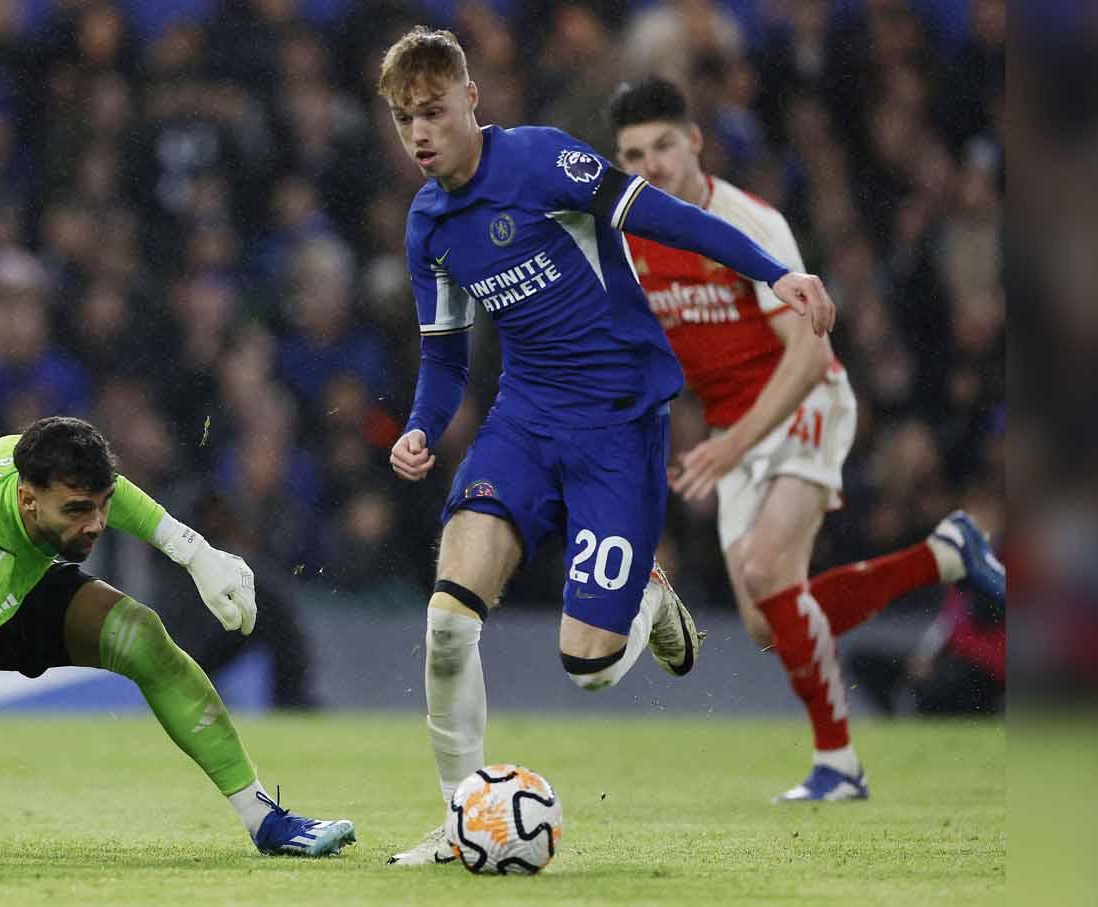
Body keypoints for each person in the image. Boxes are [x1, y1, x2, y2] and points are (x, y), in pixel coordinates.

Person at [376, 28, 836, 865]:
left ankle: (647, 597)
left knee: (586, 667)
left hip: (618, 425)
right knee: (447, 625)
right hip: (522, 419)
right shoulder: (428, 226)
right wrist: (419, 426)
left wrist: (774, 272)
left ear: (472, 101)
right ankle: (461, 821)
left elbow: (660, 214)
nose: (419, 134)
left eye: (433, 112)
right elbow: (444, 356)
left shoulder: (543, 162)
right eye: (405, 117)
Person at [608, 77, 1005, 802]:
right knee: (767, 621)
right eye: (632, 155)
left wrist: (733, 445)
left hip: (804, 401)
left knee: (765, 567)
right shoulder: (630, 241)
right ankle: (943, 554)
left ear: (695, 141)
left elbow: (808, 354)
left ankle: (839, 763)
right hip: (736, 429)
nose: (650, 167)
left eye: (663, 145)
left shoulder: (748, 223)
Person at [0, 416, 354, 864]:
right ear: (30, 500)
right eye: (78, 511)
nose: (96, 523)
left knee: (140, 637)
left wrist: (196, 553)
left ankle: (264, 820)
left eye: (99, 505)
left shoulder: (33, 464)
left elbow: (107, 490)